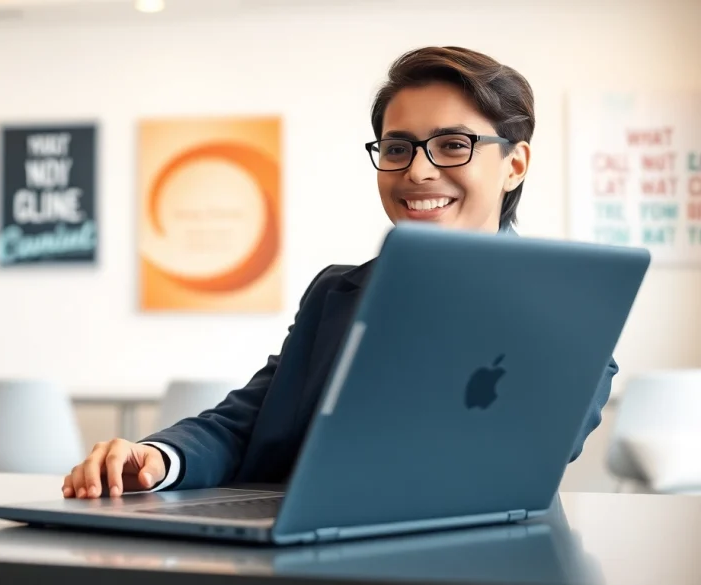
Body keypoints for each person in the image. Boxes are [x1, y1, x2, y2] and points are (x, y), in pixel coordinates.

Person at [62, 46, 616, 500]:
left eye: (453, 145)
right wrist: (160, 458)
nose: (419, 170)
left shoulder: (569, 317)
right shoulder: (336, 294)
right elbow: (246, 422)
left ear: (514, 165)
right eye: (398, 147)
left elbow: (518, 460)